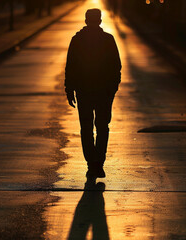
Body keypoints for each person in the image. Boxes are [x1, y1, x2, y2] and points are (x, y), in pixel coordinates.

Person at [65, 8, 121, 178]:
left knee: (87, 128)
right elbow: (116, 66)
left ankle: (92, 164)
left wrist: (69, 89)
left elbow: (70, 67)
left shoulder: (77, 40)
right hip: (104, 92)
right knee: (102, 127)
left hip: (84, 92)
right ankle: (98, 162)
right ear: (100, 21)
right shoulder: (108, 40)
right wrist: (113, 88)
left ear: (85, 20)